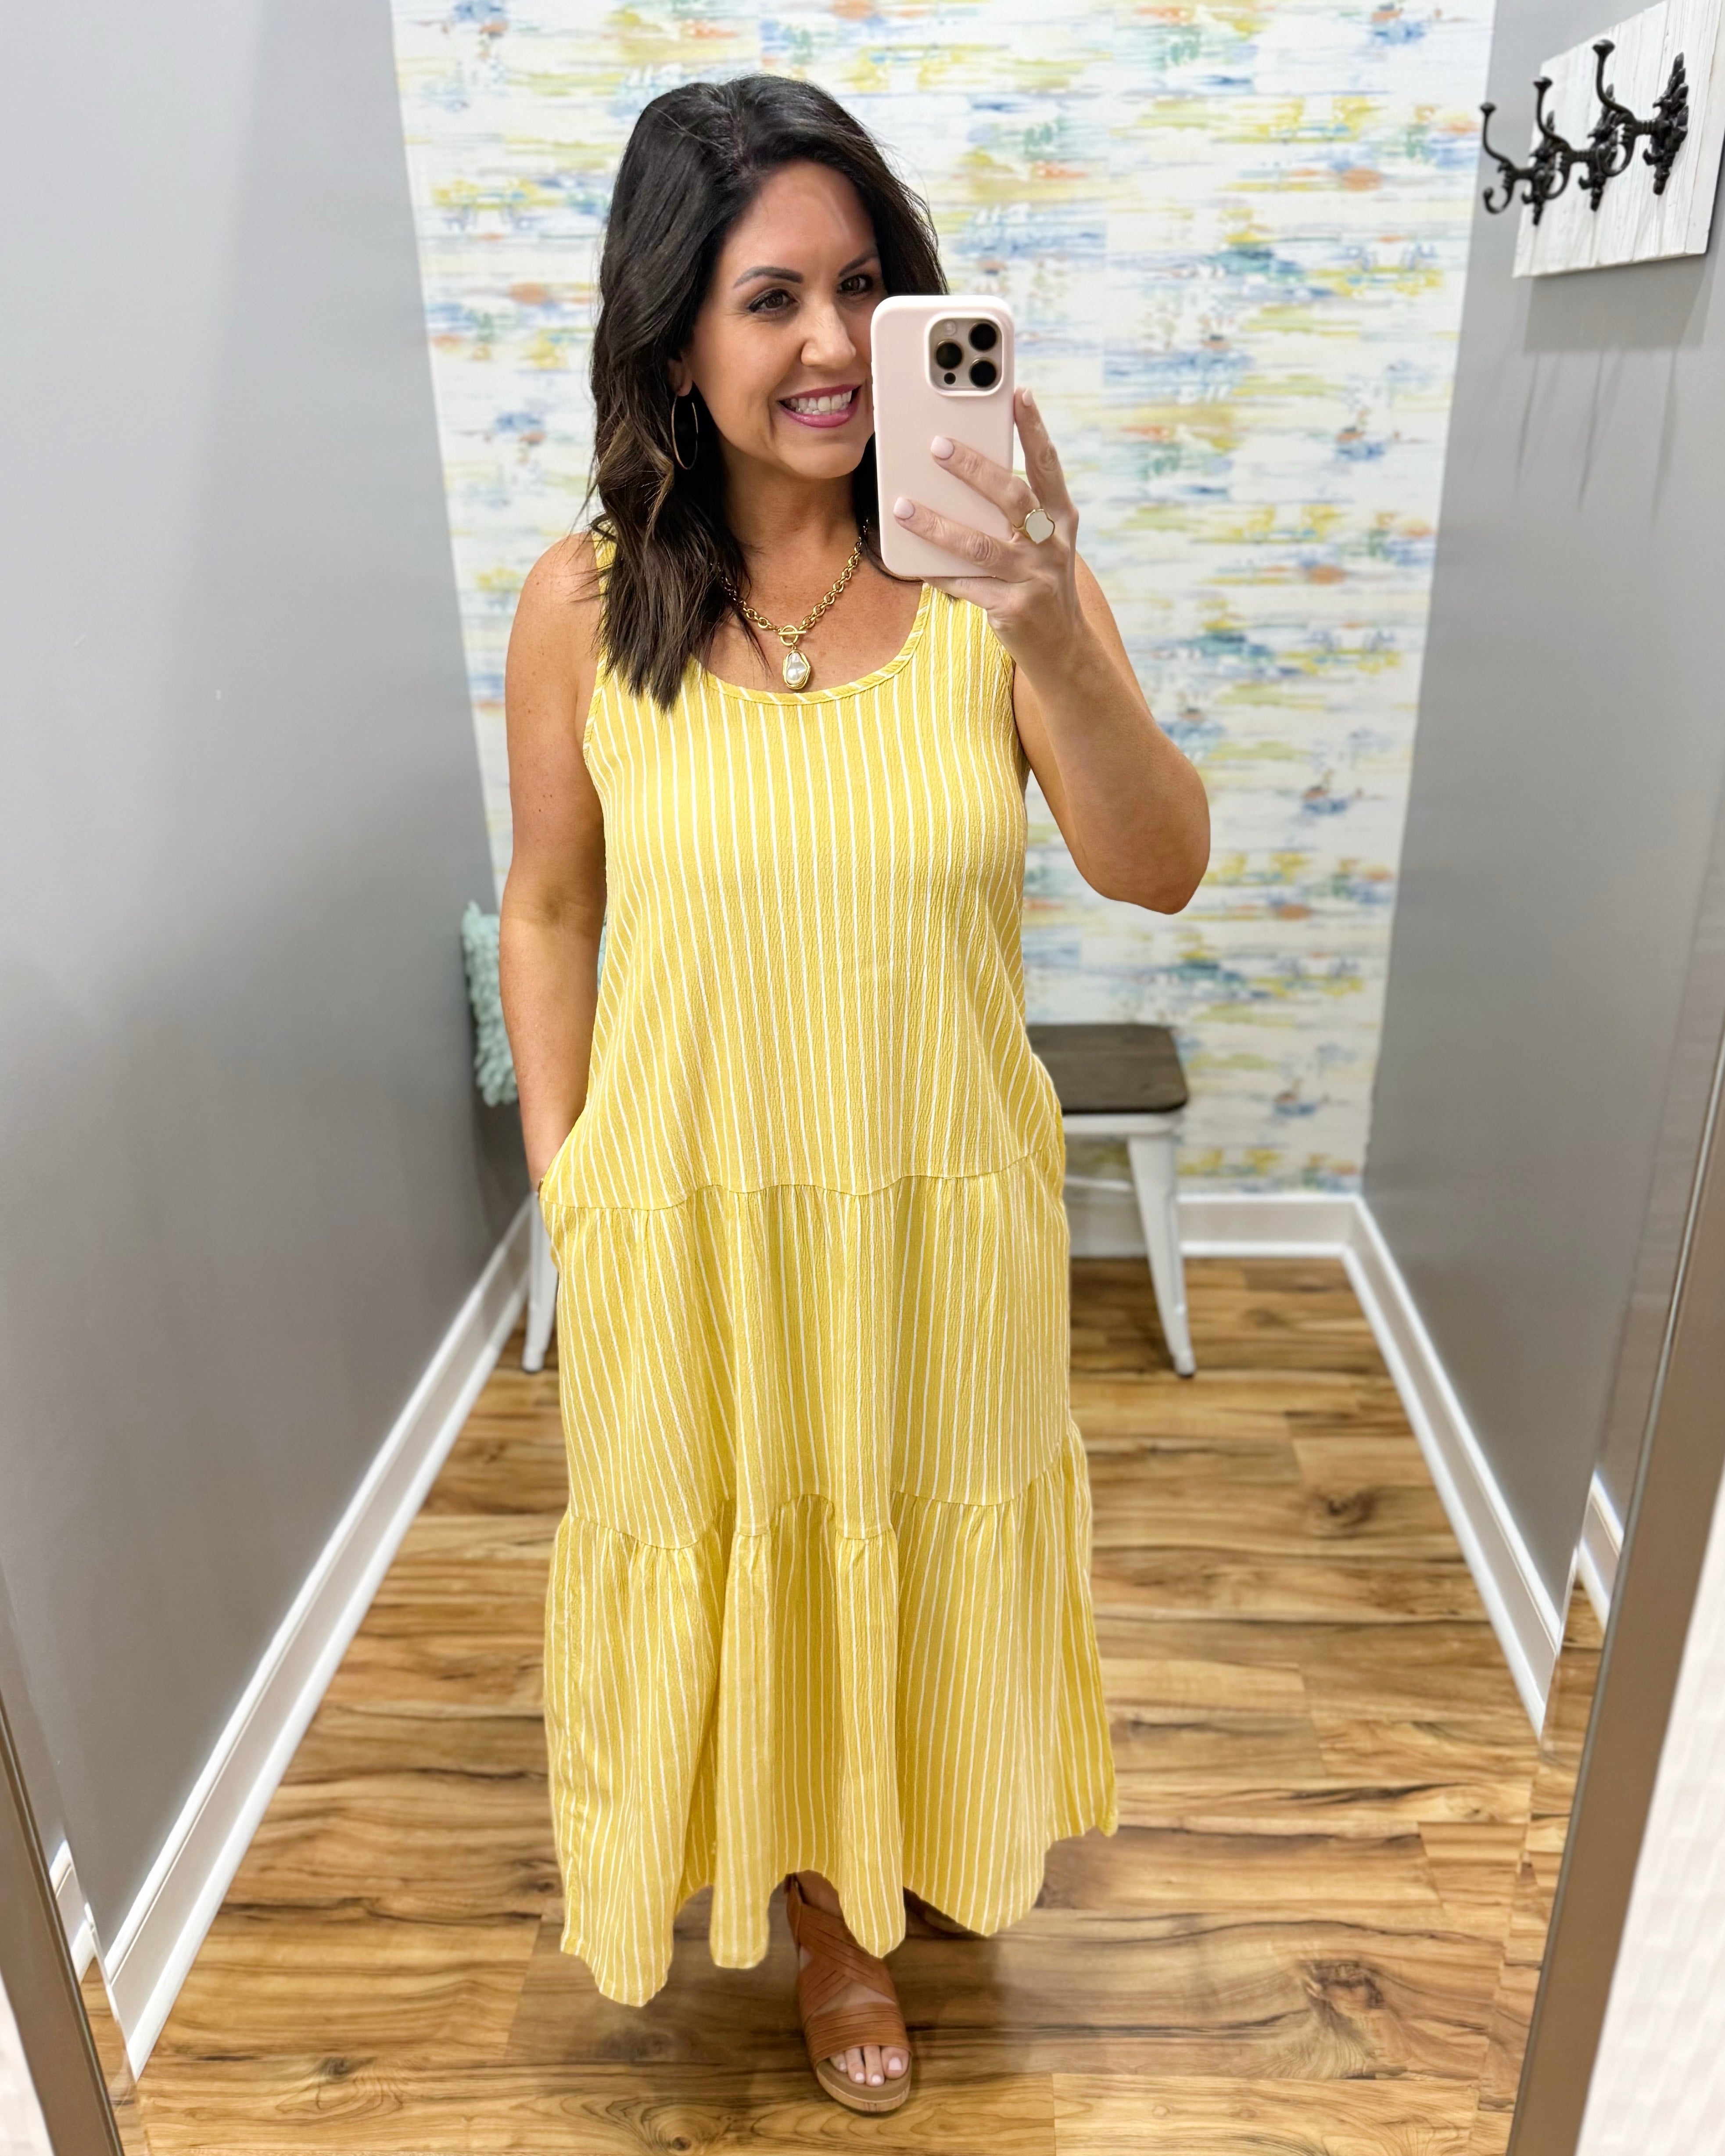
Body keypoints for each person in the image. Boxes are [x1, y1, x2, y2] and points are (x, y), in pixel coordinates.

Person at [499, 72, 1209, 2116]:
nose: (827, 345)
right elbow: (548, 907)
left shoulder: (994, 584)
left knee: (909, 1527)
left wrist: (1053, 619)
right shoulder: (580, 603)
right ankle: (827, 1918)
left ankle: (916, 1834)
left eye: (863, 289)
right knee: (756, 1543)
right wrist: (568, 1177)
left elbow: (1155, 861)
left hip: (936, 1200)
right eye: (767, 298)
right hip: (693, 1209)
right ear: (671, 333)